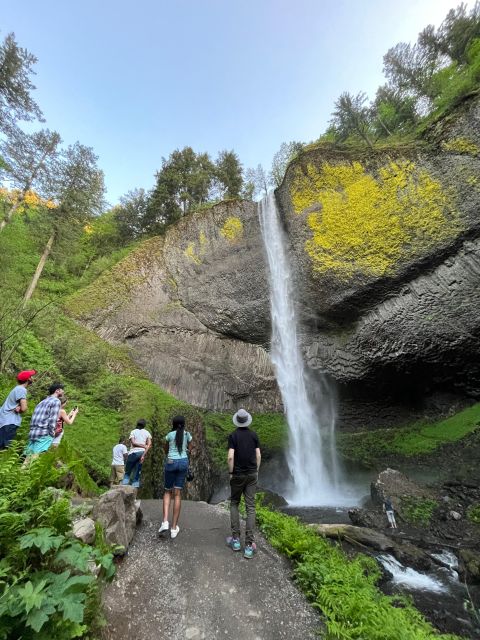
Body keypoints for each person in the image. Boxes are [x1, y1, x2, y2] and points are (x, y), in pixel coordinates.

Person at [227, 408, 261, 559]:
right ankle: (249, 545)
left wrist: (231, 472)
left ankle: (235, 540)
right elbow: (258, 454)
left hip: (238, 474)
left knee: (234, 503)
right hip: (252, 474)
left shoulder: (233, 435)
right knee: (251, 507)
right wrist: (256, 470)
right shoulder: (254, 435)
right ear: (247, 420)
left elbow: (230, 457)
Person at [158, 415, 192, 539]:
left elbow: (165, 449)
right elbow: (191, 447)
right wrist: (187, 450)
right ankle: (173, 528)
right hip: (183, 462)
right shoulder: (187, 434)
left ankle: (165, 522)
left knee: (167, 491)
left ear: (173, 423)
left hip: (171, 462)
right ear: (183, 424)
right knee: (177, 494)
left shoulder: (170, 435)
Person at [24, 382, 64, 456]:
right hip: (43, 433)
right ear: (57, 391)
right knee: (33, 460)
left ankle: (22, 468)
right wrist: (52, 433)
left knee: (28, 459)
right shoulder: (56, 401)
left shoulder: (42, 402)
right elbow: (52, 419)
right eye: (62, 390)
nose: (63, 391)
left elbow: (34, 416)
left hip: (33, 432)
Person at [0, 369, 36, 450]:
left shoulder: (17, 388)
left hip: (5, 420)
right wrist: (21, 408)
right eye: (31, 376)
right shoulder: (21, 389)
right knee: (3, 447)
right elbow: (24, 408)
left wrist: (19, 407)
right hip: (9, 421)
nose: (33, 378)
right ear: (28, 379)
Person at [121, 419, 152, 489]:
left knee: (127, 472)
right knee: (137, 473)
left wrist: (142, 446)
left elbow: (133, 443)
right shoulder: (147, 432)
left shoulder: (133, 431)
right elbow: (149, 445)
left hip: (133, 453)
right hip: (142, 453)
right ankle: (134, 493)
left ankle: (123, 488)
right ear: (144, 425)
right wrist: (143, 454)